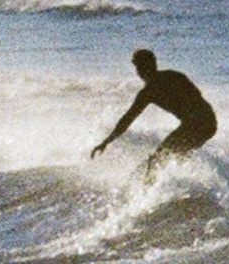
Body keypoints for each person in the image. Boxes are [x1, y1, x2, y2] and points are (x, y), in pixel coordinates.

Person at [92, 47, 218, 178]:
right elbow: (128, 119)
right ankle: (189, 186)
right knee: (171, 158)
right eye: (138, 67)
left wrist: (106, 142)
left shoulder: (167, 81)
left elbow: (196, 98)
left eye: (142, 66)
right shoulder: (155, 88)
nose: (140, 71)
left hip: (198, 123)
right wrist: (106, 141)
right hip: (207, 123)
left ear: (153, 65)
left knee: (158, 160)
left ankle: (151, 190)